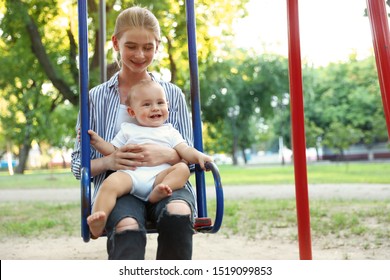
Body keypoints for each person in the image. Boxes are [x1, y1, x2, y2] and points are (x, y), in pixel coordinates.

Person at [71, 6, 198, 259]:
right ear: (116, 43)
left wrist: (169, 155)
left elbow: (191, 161)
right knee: (125, 226)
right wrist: (109, 160)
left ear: (157, 46)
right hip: (123, 186)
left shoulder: (171, 94)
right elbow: (77, 166)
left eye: (148, 47)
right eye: (131, 46)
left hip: (166, 181)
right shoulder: (95, 98)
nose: (140, 55)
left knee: (178, 211)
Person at [86, 79, 213, 239]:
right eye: (146, 105)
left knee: (182, 169)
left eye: (160, 103)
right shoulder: (128, 130)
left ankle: (160, 191)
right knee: (110, 183)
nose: (155, 108)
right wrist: (97, 142)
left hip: (159, 178)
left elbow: (185, 150)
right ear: (132, 112)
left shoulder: (170, 131)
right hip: (131, 176)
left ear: (167, 104)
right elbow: (112, 151)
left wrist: (199, 156)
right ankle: (98, 220)